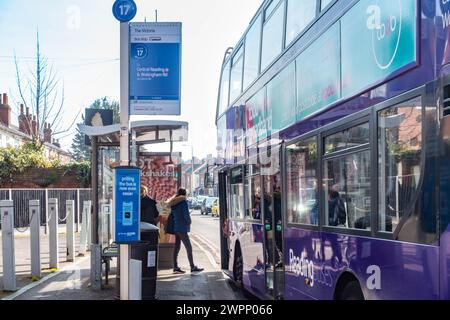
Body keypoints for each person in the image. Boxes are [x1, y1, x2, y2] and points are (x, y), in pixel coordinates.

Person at [168, 188, 204, 274]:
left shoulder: (174, 203)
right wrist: (189, 221)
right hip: (182, 228)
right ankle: (192, 267)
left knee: (177, 247)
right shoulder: (183, 202)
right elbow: (186, 215)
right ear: (184, 194)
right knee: (189, 247)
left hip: (176, 227)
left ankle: (175, 266)